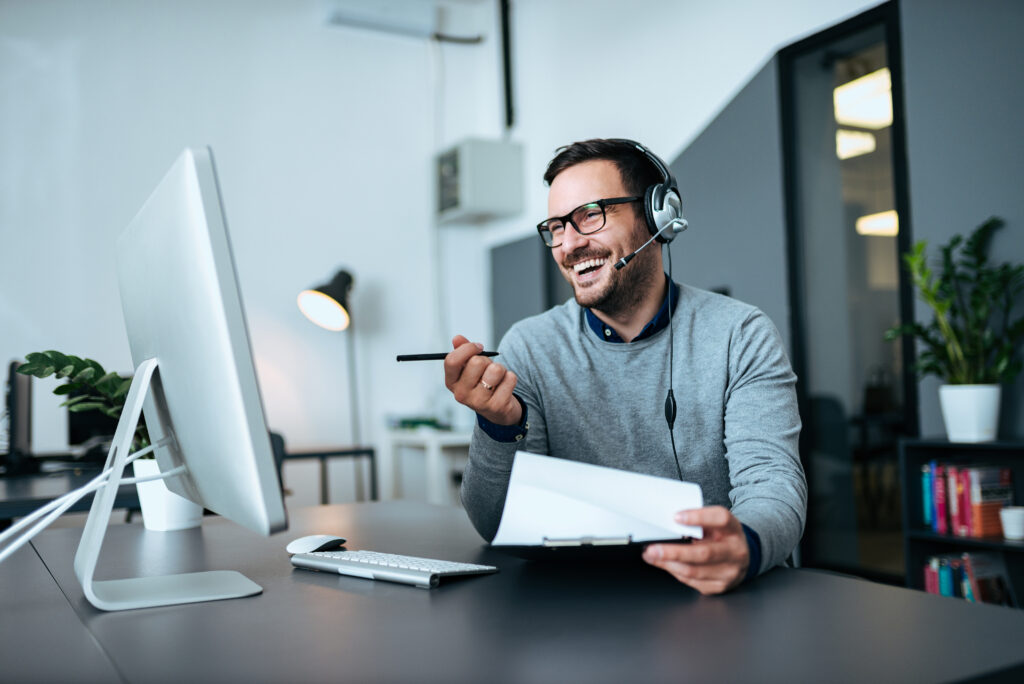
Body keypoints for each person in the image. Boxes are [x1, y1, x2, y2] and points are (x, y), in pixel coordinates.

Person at [443, 138, 806, 595]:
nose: (569, 244)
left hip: (713, 597)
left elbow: (773, 485)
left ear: (658, 217)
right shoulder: (529, 347)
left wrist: (745, 546)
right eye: (556, 226)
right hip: (580, 608)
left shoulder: (740, 334)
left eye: (590, 215)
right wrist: (499, 427)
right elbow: (496, 524)